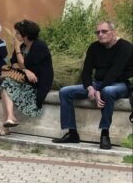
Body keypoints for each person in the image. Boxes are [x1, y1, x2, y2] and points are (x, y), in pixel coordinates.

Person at [53, 21, 132, 150]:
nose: (100, 34)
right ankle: (72, 134)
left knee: (108, 91)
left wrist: (99, 90)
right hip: (98, 84)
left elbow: (115, 72)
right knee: (65, 91)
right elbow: (86, 72)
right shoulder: (94, 47)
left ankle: (104, 134)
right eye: (98, 32)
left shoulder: (125, 47)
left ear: (113, 32)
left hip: (120, 84)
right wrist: (90, 87)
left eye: (104, 31)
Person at [0, 20, 53, 136]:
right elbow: (14, 63)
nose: (15, 35)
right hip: (25, 80)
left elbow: (24, 64)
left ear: (25, 36)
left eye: (17, 33)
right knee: (6, 86)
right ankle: (10, 119)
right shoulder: (23, 45)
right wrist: (25, 70)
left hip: (37, 84)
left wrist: (17, 49)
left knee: (6, 88)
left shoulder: (39, 46)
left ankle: (6, 125)